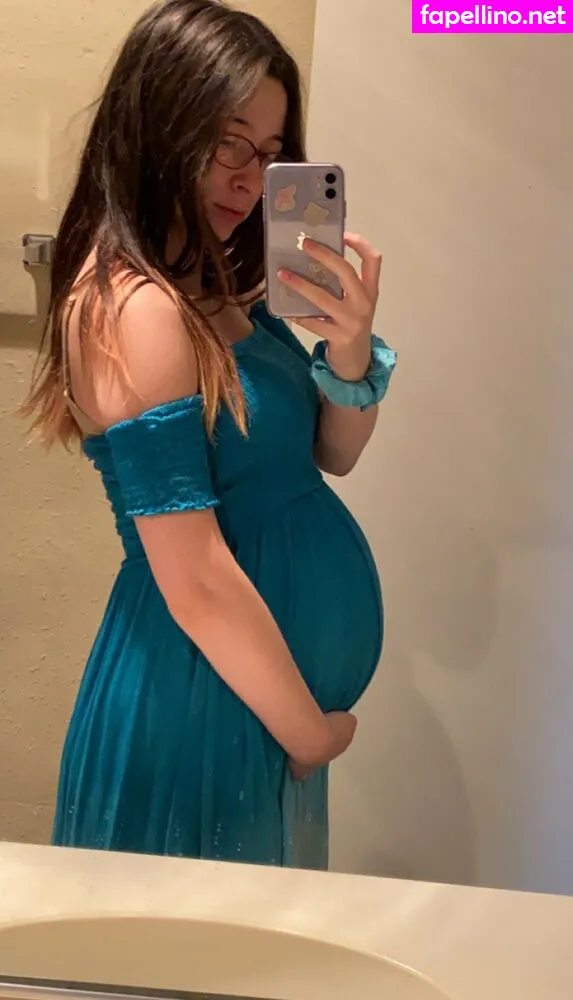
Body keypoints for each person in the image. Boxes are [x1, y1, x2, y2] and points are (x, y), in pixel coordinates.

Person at [23, 0, 396, 870]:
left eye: (269, 152)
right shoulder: (134, 307)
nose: (249, 179)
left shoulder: (222, 292)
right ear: (157, 126)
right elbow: (190, 574)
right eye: (228, 143)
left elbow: (334, 454)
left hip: (250, 696)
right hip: (199, 698)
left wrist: (348, 349)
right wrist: (309, 733)